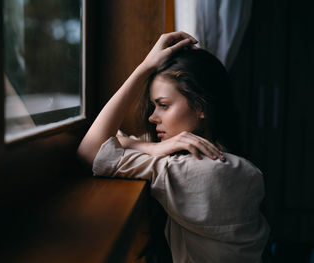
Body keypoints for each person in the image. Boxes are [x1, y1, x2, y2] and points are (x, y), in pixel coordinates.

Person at [78, 31, 269, 263]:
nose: (152, 117)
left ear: (201, 107)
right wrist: (154, 148)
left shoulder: (205, 170)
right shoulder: (221, 159)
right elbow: (112, 139)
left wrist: (145, 68)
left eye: (163, 105)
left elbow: (91, 150)